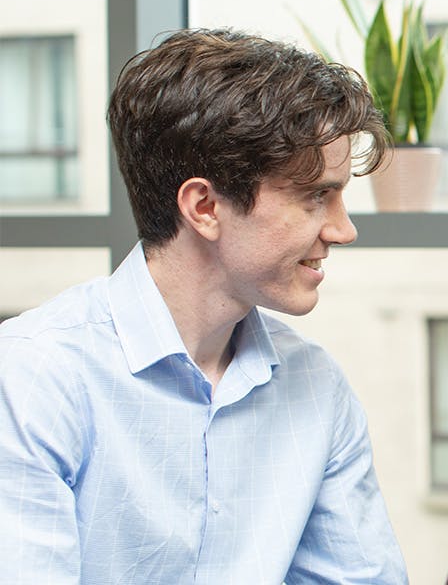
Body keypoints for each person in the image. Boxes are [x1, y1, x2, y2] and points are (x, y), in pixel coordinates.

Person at [0, 29, 407, 583]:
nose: (344, 229)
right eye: (316, 195)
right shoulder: (33, 378)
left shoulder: (316, 387)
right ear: (205, 206)